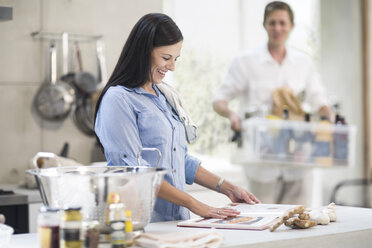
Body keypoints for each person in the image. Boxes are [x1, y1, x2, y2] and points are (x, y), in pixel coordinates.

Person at [94, 13, 259, 222]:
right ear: (143, 52)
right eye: (166, 58)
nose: (172, 67)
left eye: (175, 59)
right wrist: (195, 204)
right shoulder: (118, 99)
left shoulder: (163, 97)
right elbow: (136, 172)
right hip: (136, 223)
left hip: (175, 221)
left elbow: (178, 159)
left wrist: (227, 187)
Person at [213, 1, 332, 206]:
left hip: (299, 161)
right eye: (272, 23)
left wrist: (328, 117)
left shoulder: (304, 62)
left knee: (300, 219)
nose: (277, 28)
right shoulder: (245, 61)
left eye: (282, 23)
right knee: (262, 217)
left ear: (291, 26)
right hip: (262, 161)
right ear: (265, 25)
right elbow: (219, 100)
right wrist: (233, 115)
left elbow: (319, 100)